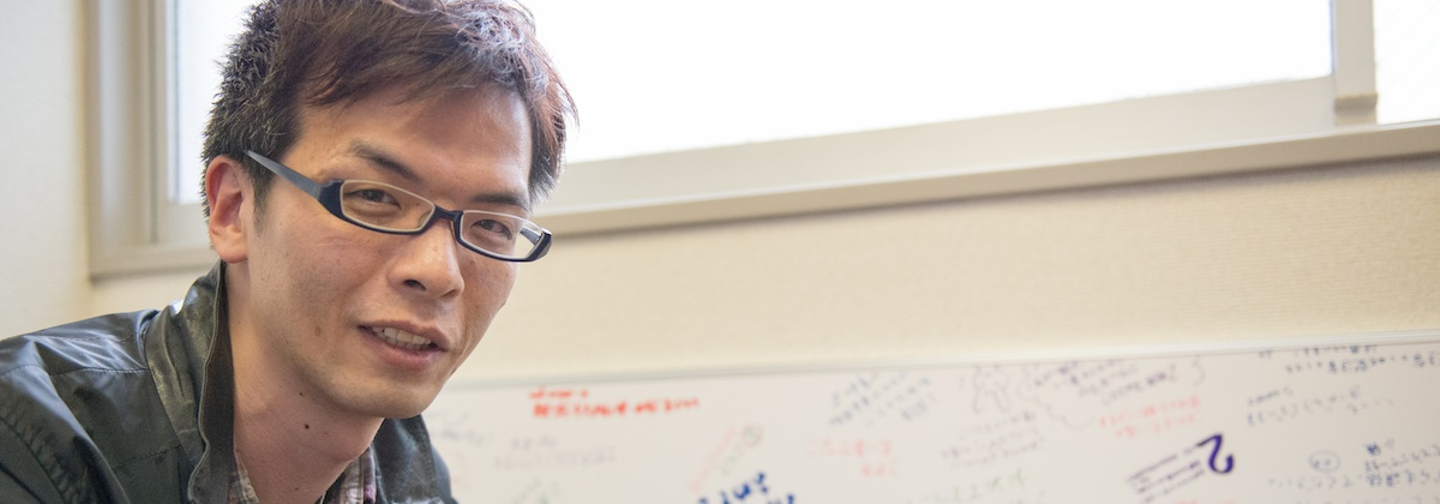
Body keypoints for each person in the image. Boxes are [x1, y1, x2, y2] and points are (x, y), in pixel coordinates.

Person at [0, 0, 573, 501]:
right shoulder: (28, 440)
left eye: (492, 225)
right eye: (374, 197)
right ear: (233, 209)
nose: (439, 272)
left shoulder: (414, 476)